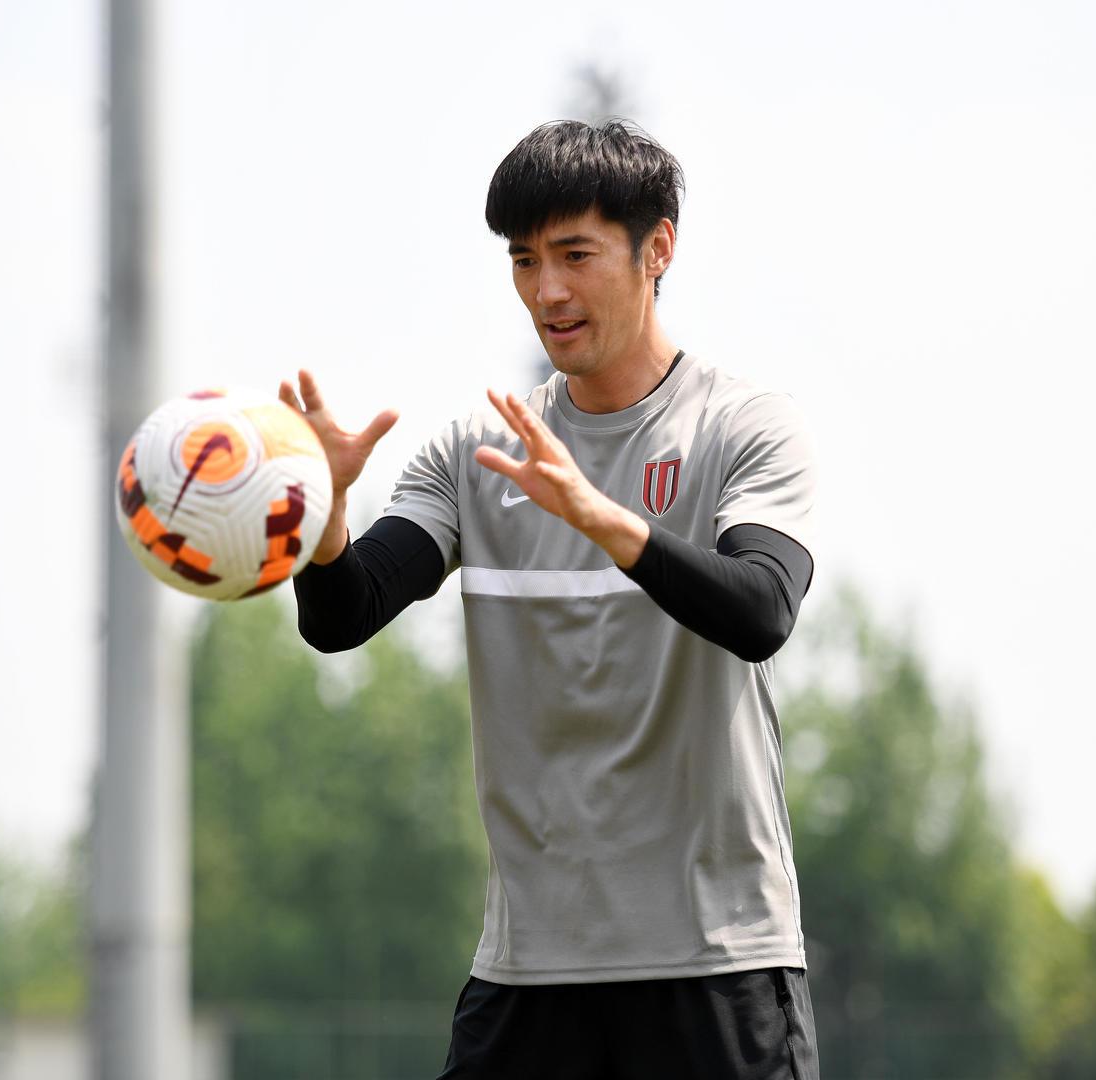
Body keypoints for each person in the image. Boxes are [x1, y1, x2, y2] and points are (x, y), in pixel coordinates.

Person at [282, 119, 821, 1080]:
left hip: (718, 964)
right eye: (524, 261)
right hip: (529, 976)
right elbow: (341, 615)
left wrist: (601, 516)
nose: (547, 293)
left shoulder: (743, 427)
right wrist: (323, 519)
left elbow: (761, 610)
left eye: (575, 255)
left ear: (658, 249)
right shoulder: (475, 454)